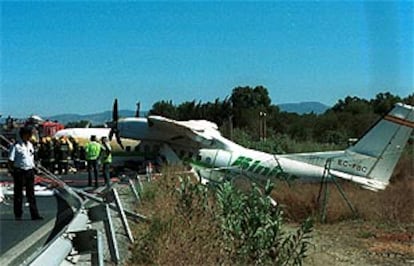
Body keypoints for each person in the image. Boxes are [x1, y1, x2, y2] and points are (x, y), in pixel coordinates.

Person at [8, 127, 43, 220]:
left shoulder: (30, 145)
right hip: (20, 171)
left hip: (29, 170)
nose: (30, 136)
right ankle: (18, 214)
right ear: (23, 135)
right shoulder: (16, 146)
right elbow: (11, 160)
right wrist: (12, 171)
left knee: (31, 193)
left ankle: (34, 214)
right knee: (18, 194)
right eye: (28, 134)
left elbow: (32, 157)